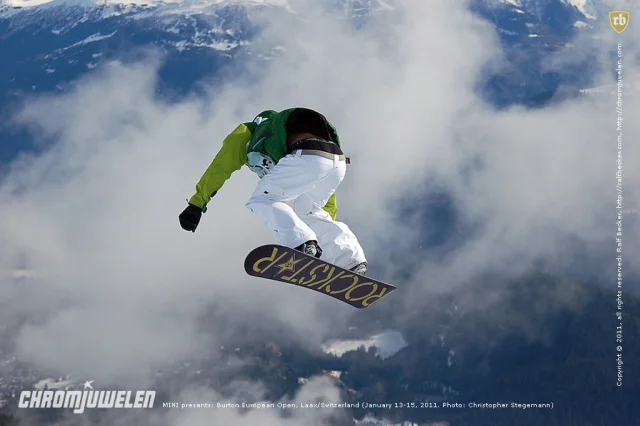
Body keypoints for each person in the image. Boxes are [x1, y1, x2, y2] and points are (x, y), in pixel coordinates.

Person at [178, 107, 367, 275]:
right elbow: (325, 194)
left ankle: (301, 244)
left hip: (307, 153)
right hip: (336, 162)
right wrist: (323, 234)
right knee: (311, 211)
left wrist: (197, 204)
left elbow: (219, 168)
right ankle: (351, 260)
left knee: (261, 200)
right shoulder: (282, 136)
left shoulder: (247, 134)